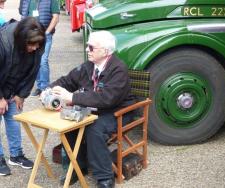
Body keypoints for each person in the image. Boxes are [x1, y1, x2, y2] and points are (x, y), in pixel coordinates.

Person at [45, 30, 135, 188]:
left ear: (105, 51)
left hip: (118, 111)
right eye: (88, 46)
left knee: (94, 128)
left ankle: (106, 178)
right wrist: (49, 90)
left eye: (91, 47)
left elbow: (107, 99)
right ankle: (78, 166)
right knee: (70, 125)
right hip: (96, 109)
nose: (87, 50)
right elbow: (67, 80)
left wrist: (72, 98)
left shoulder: (118, 69)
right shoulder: (88, 66)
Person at [0, 17, 46, 176]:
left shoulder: (38, 42)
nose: (34, 48)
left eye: (37, 45)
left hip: (14, 87)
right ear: (21, 40)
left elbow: (34, 70)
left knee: (13, 119)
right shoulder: (3, 41)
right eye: (31, 45)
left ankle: (16, 154)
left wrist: (21, 94)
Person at [19, 0, 60, 96]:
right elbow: (22, 13)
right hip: (30, 36)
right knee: (35, 60)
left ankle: (45, 88)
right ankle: (39, 86)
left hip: (45, 35)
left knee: (43, 61)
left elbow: (56, 17)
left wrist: (47, 32)